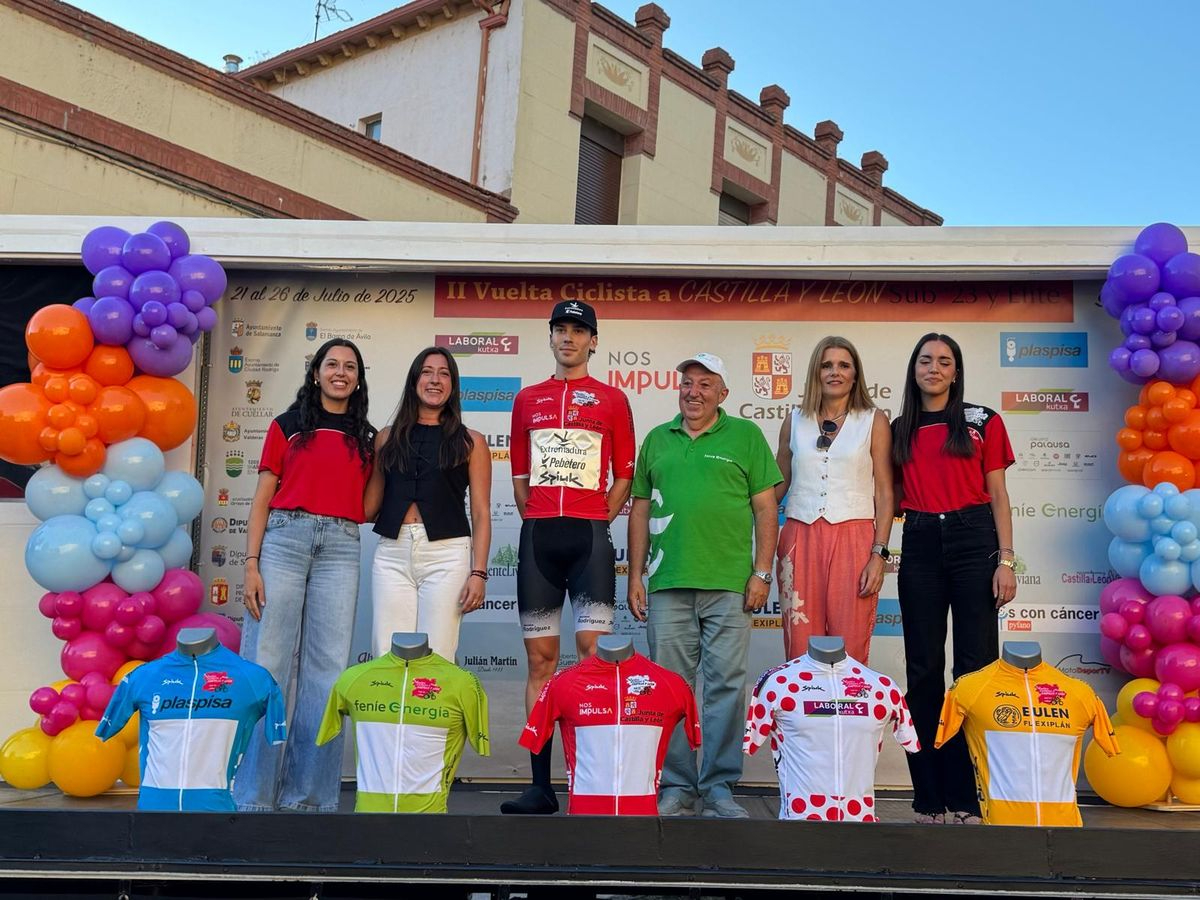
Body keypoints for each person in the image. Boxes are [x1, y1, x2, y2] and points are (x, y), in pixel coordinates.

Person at [628, 352, 782, 818]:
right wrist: (635, 575)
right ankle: (676, 785)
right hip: (667, 582)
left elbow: (765, 510)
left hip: (730, 584)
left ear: (723, 394)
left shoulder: (746, 436)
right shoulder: (658, 438)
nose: (693, 392)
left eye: (705, 384)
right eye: (687, 383)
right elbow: (638, 509)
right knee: (672, 689)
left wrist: (761, 573)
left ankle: (718, 786)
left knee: (725, 688)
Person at [501, 299, 635, 815]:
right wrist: (539, 515)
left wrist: (598, 519)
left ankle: (591, 781)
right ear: (551, 337)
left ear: (593, 342)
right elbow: (517, 476)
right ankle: (541, 786)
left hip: (590, 541)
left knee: (593, 660)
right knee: (540, 660)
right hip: (539, 539)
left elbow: (624, 474)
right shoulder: (527, 399)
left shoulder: (612, 401)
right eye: (560, 329)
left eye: (579, 331)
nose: (569, 338)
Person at [234, 338, 376, 812]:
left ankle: (309, 800)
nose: (340, 372)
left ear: (358, 378)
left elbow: (370, 506)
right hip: (284, 540)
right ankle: (253, 796)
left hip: (341, 546)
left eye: (349, 366)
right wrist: (251, 563)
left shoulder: (368, 438)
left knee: (327, 674)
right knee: (266, 665)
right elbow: (260, 500)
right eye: (331, 364)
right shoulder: (287, 426)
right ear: (315, 373)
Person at [891, 332, 1016, 825]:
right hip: (919, 539)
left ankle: (968, 797)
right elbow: (888, 497)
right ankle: (928, 797)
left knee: (975, 670)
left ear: (956, 371)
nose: (935, 368)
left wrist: (1006, 559)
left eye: (945, 361)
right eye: (926, 360)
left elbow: (999, 495)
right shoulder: (900, 428)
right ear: (914, 369)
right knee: (922, 671)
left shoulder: (983, 421)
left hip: (974, 539)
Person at [365, 347, 492, 662]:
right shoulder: (385, 438)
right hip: (391, 554)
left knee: (437, 656)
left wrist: (479, 572)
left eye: (444, 373)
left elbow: (481, 512)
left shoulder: (471, 442)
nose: (435, 380)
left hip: (447, 556)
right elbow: (368, 508)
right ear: (413, 381)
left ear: (453, 385)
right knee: (387, 653)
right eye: (427, 372)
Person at [774, 336, 893, 663]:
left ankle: (849, 714)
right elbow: (776, 487)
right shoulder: (794, 420)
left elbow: (884, 492)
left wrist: (879, 553)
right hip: (800, 535)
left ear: (856, 374)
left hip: (855, 537)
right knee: (800, 645)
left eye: (844, 365)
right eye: (827, 365)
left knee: (850, 645)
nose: (835, 372)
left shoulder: (873, 420)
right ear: (816, 372)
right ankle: (799, 713)